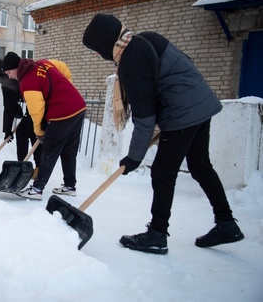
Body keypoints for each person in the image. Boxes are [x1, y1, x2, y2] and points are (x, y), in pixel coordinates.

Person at [82, 13, 244, 254]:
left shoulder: (132, 61)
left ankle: (157, 234)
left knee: (162, 172)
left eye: (96, 49)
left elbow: (145, 117)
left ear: (104, 42)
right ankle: (226, 223)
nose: (98, 54)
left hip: (183, 114)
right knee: (200, 166)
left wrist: (134, 157)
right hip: (200, 103)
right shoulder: (145, 39)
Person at [1, 52, 86, 200]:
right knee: (68, 150)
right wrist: (66, 90)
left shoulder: (27, 82)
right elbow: (63, 67)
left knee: (49, 150)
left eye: (9, 72)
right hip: (78, 107)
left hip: (61, 113)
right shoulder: (42, 63)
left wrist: (39, 132)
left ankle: (37, 189)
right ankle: (69, 186)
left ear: (16, 68)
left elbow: (36, 112)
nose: (9, 76)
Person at [0, 57, 41, 179]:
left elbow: (9, 107)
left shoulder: (7, 80)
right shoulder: (10, 75)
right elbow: (14, 101)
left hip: (38, 105)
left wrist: (7, 130)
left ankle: (23, 167)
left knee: (23, 132)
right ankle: (38, 168)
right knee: (33, 133)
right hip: (37, 104)